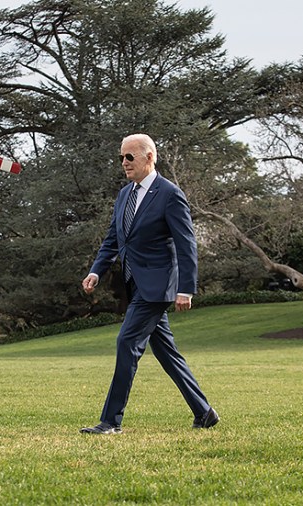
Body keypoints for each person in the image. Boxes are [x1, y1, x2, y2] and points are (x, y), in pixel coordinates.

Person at [79, 133, 218, 434]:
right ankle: (204, 412)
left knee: (126, 342)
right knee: (167, 352)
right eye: (121, 157)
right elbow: (113, 240)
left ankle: (110, 422)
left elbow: (186, 244)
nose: (124, 163)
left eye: (130, 156)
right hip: (135, 284)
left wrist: (186, 288)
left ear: (150, 157)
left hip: (158, 286)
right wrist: (96, 271)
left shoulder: (169, 194)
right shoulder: (124, 195)